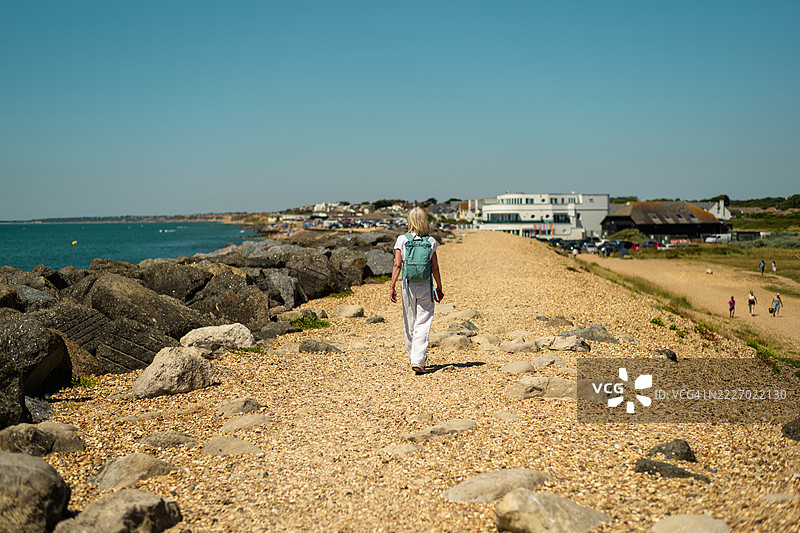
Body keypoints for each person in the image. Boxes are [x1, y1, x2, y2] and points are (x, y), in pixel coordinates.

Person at [390, 207, 444, 374]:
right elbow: (434, 267)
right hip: (425, 286)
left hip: (408, 285)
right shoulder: (431, 241)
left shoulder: (402, 239)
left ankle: (413, 357)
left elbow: (397, 265)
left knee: (409, 322)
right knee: (423, 322)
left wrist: (392, 286)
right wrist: (439, 287)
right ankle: (418, 360)